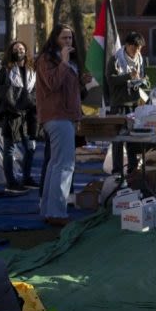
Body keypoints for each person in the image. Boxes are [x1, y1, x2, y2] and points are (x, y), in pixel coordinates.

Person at [36, 24, 91, 226]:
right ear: (55, 39)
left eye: (70, 38)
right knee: (65, 164)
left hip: (66, 116)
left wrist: (81, 82)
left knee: (55, 164)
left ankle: (49, 209)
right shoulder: (47, 59)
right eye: (64, 38)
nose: (68, 41)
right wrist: (65, 63)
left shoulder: (68, 63)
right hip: (56, 116)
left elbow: (68, 90)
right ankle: (57, 212)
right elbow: (52, 84)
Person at [0, 41, 39, 193]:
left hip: (28, 114)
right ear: (10, 52)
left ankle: (26, 178)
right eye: (15, 49)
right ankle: (11, 182)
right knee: (9, 149)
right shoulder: (6, 70)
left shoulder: (32, 70)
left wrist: (32, 101)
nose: (19, 51)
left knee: (30, 148)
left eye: (21, 48)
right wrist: (10, 94)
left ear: (26, 51)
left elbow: (35, 90)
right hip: (11, 114)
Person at [106, 31, 149, 178]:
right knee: (118, 140)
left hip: (134, 105)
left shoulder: (140, 59)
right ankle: (117, 172)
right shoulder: (115, 60)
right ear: (127, 46)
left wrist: (142, 81)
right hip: (119, 105)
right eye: (135, 48)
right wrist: (128, 77)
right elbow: (111, 81)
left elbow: (142, 76)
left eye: (140, 48)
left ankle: (132, 170)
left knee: (134, 140)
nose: (137, 51)